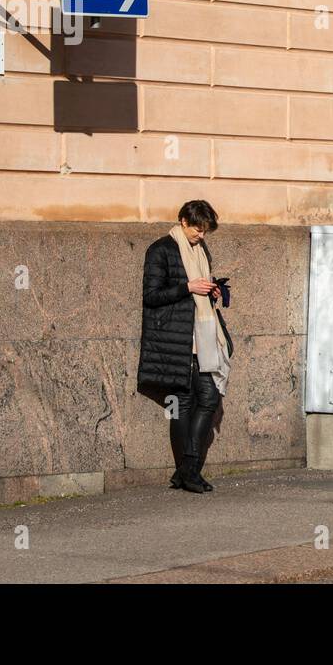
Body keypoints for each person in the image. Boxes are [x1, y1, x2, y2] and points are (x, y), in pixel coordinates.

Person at [137, 200, 233, 492]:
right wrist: (188, 287)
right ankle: (188, 472)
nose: (201, 235)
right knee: (181, 404)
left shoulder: (200, 251)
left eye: (205, 230)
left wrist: (212, 290)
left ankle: (186, 471)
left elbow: (198, 291)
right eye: (197, 228)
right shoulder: (161, 250)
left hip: (201, 335)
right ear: (182, 221)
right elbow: (151, 296)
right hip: (175, 340)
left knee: (208, 398)